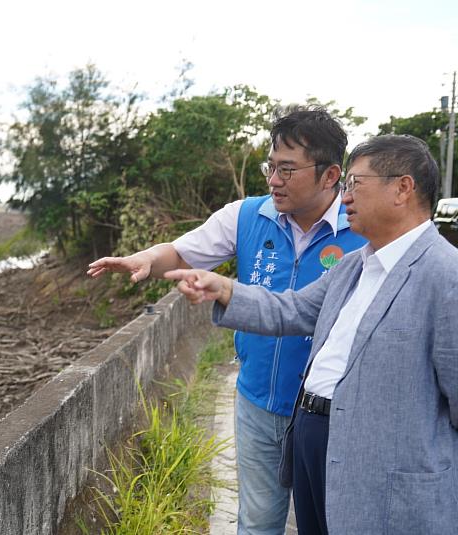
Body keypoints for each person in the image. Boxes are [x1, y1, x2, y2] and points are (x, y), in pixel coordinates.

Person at [88, 106, 366, 534]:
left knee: (334, 522)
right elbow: (181, 253)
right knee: (256, 522)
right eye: (270, 166)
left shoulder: (363, 230)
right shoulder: (247, 216)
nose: (274, 180)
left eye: (287, 170)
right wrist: (143, 259)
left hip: (333, 411)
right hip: (257, 399)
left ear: (331, 176)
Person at [165, 134, 458, 535]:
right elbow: (294, 309)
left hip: (380, 464)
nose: (346, 195)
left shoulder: (446, 275)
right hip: (312, 440)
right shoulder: (355, 265)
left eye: (356, 183)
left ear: (402, 188)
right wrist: (224, 289)